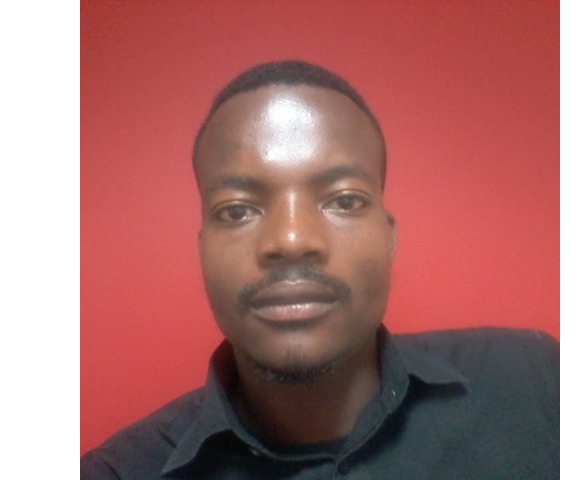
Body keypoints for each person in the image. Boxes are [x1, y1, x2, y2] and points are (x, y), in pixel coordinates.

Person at [81, 60, 559, 479]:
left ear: (389, 236)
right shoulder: (119, 472)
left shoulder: (538, 382)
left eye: (344, 201)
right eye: (237, 210)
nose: (292, 240)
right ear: (203, 249)